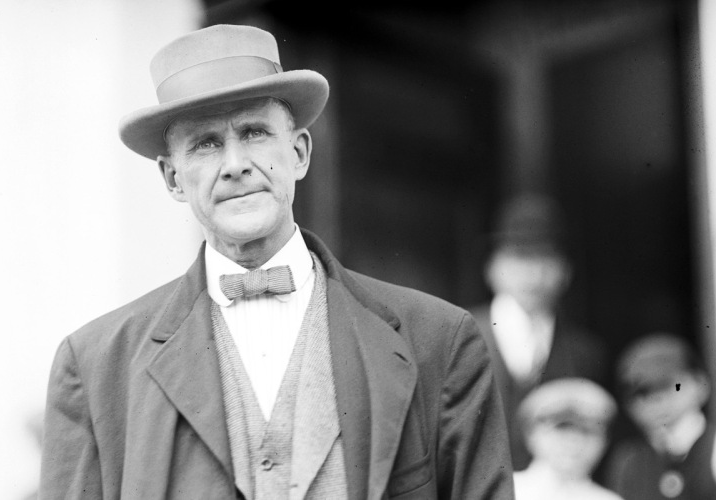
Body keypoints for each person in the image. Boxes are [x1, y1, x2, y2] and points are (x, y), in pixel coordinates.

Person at [39, 24, 513, 499]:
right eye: (205, 144)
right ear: (173, 179)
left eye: (255, 132)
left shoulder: (439, 341)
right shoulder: (97, 366)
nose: (235, 164)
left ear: (300, 152)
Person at [470, 193, 608, 470]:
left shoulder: (584, 351)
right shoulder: (462, 333)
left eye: (545, 259)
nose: (533, 274)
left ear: (565, 271)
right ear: (493, 268)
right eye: (520, 258)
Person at [603, 333, 716, 500]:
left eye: (669, 386)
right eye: (642, 392)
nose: (656, 399)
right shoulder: (630, 460)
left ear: (700, 384)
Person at [513, 378, 621, 500]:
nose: (574, 442)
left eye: (587, 431)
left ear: (604, 442)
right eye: (561, 429)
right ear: (532, 434)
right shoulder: (504, 491)